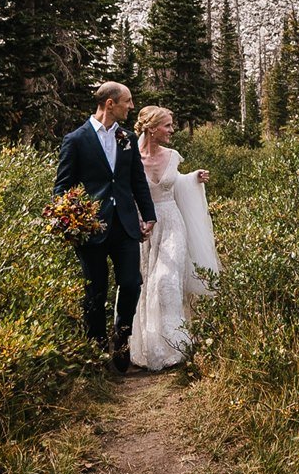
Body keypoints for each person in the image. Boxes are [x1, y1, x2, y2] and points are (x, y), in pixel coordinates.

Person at [54, 82, 156, 374]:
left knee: (131, 282)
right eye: (128, 101)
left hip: (125, 225)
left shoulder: (127, 137)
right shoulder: (76, 139)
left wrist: (147, 215)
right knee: (95, 292)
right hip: (91, 228)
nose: (132, 107)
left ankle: (122, 336)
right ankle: (96, 348)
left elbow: (137, 180)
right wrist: (71, 221)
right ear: (110, 104)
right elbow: (62, 187)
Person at [127, 105, 222, 371]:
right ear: (151, 128)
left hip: (172, 223)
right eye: (167, 125)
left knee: (167, 282)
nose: (172, 130)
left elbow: (175, 183)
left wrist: (194, 178)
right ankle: (148, 347)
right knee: (146, 283)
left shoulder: (172, 156)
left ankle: (176, 346)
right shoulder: (131, 156)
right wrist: (137, 222)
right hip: (144, 226)